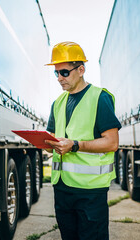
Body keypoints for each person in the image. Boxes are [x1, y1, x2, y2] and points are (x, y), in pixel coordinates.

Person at [44, 41, 121, 240]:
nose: (59, 78)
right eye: (56, 73)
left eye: (64, 72)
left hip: (90, 191)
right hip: (62, 188)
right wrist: (46, 144)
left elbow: (112, 143)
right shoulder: (58, 103)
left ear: (81, 69)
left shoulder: (99, 98)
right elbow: (50, 141)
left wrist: (75, 145)